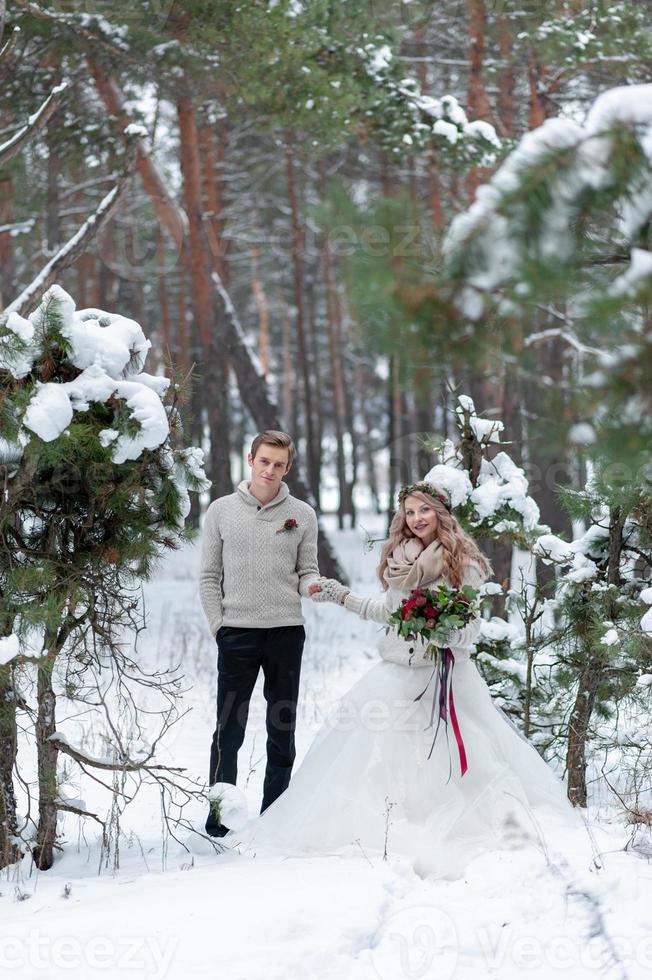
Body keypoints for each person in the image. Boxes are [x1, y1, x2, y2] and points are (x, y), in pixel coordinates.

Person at [224, 481, 589, 878]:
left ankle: (460, 833)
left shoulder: (461, 562)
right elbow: (391, 614)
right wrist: (340, 595)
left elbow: (471, 627)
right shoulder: (398, 557)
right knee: (376, 760)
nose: (416, 519)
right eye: (410, 512)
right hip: (398, 674)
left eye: (424, 511)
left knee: (457, 759)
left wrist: (449, 633)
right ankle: (386, 832)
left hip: (445, 679)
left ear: (441, 514)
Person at [199, 430, 320, 836]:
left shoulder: (302, 514)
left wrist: (312, 587)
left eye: (279, 464)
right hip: (237, 634)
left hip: (286, 633)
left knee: (281, 726)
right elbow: (208, 577)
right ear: (250, 459)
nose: (270, 470)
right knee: (228, 728)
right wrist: (220, 628)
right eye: (264, 461)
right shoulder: (220, 510)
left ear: (288, 468)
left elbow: (306, 573)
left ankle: (275, 815)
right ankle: (220, 818)